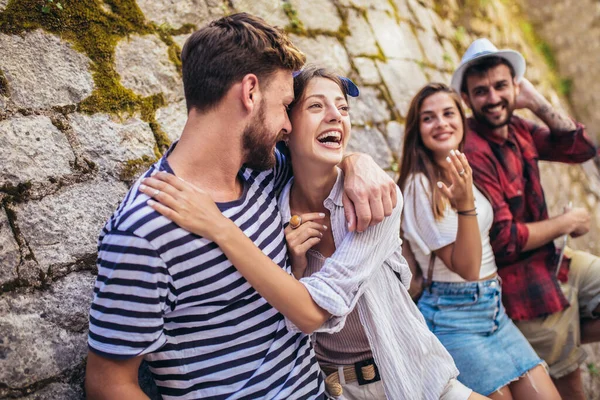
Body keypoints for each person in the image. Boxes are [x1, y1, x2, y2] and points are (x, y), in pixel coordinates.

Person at [85, 13, 399, 400]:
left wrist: (357, 163)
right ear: (250, 92)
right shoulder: (145, 227)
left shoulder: (265, 173)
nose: (288, 124)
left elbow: (317, 160)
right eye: (286, 105)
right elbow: (107, 384)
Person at [140, 67, 489, 400]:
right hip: (335, 390)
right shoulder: (269, 194)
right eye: (317, 106)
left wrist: (218, 227)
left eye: (343, 108)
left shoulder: (377, 201)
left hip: (413, 373)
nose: (336, 115)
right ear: (286, 126)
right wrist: (296, 263)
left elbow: (313, 312)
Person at [452, 38, 600, 400]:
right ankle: (556, 343)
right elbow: (505, 239)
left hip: (554, 260)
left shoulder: (519, 128)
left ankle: (565, 334)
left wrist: (535, 101)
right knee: (571, 386)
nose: (493, 98)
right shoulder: (473, 149)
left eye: (501, 86)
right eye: (481, 91)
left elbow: (579, 148)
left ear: (514, 87)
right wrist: (565, 224)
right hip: (518, 283)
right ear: (468, 100)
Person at [399, 83, 560, 399]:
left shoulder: (463, 168)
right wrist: (466, 206)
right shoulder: (419, 185)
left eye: (448, 113)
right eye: (428, 118)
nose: (442, 123)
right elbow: (468, 268)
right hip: (454, 316)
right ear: (418, 130)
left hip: (494, 309)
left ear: (462, 119)